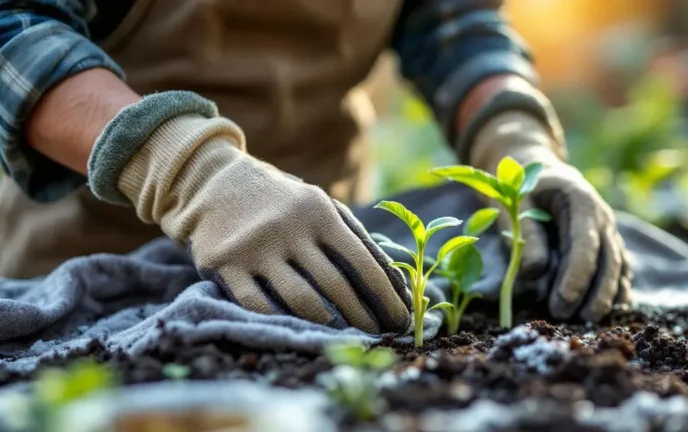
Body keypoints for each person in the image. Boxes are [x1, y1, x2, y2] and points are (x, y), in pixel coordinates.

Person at [0, 0, 631, 335]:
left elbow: (456, 27)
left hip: (320, 256)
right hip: (91, 259)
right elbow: (15, 29)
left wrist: (517, 143)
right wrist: (189, 174)